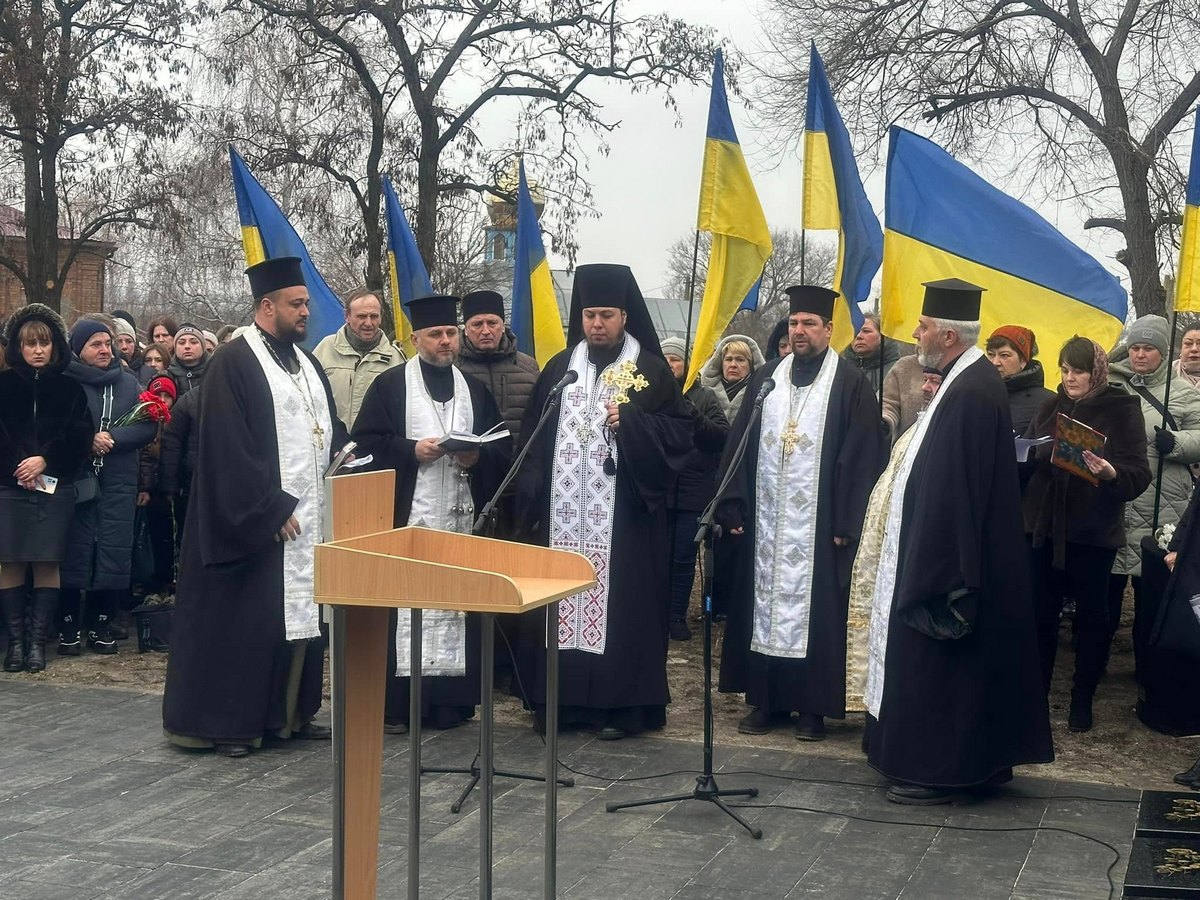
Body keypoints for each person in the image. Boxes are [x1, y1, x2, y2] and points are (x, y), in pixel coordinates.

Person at [862, 278, 1053, 805]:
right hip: (948, 552)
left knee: (942, 670)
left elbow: (953, 492)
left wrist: (932, 570)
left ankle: (935, 769)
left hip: (948, 563)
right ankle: (960, 763)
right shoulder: (961, 381)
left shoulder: (969, 391)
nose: (916, 333)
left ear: (946, 335)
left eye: (922, 326)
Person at [163, 256, 348, 758]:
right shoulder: (234, 361)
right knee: (245, 628)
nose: (306, 311)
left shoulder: (305, 362)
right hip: (258, 525)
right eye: (297, 304)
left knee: (300, 622)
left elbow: (327, 426)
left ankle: (288, 716)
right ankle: (232, 724)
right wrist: (266, 509)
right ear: (267, 306)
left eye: (306, 302)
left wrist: (345, 457)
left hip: (306, 522)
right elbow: (226, 447)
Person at [515, 263, 692, 739]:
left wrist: (633, 423)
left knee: (625, 609)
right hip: (563, 520)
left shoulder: (649, 370)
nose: (597, 324)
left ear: (624, 317)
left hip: (627, 520)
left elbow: (682, 433)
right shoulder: (559, 369)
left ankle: (624, 708)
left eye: (607, 315)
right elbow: (534, 437)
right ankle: (561, 704)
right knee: (559, 602)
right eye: (590, 315)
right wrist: (528, 498)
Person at [716, 286, 887, 740]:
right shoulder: (768, 377)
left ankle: (811, 708)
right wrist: (733, 502)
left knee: (818, 614)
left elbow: (863, 455)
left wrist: (847, 521)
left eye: (810, 323)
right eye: (794, 323)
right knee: (762, 606)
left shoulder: (849, 383)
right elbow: (741, 442)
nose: (800, 331)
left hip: (820, 527)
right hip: (767, 522)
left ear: (829, 330)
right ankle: (765, 702)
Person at [352, 295, 507, 733]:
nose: (445, 341)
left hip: (460, 516)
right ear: (416, 337)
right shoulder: (391, 385)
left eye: (450, 333)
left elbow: (501, 448)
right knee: (408, 601)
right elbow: (364, 443)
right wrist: (409, 450)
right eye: (435, 334)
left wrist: (477, 460)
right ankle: (399, 706)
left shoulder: (474, 389)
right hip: (409, 518)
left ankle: (449, 704)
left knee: (455, 602)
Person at [1023, 335, 1151, 732]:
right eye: (1063, 370)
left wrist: (1111, 472)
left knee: (1093, 620)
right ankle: (1036, 698)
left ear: (1096, 371)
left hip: (1092, 532)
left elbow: (1138, 472)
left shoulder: (1122, 409)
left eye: (1077, 370)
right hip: (1043, 529)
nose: (1069, 377)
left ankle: (1082, 699)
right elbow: (1027, 451)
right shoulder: (1050, 406)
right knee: (1040, 616)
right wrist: (1030, 453)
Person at [0, 305, 93, 672]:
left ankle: (37, 644)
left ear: (55, 346)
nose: (38, 350)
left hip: (54, 489)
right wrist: (17, 466)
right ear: (17, 348)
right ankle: (16, 643)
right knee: (10, 560)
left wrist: (45, 461)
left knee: (46, 561)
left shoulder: (70, 388)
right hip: (8, 486)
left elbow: (80, 437)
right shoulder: (3, 385)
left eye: (44, 343)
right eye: (30, 344)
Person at [1107, 316, 1200, 680]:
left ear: (1163, 352)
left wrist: (1177, 443)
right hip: (1118, 500)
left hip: (1164, 503)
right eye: (1134, 348)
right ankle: (1095, 659)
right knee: (1107, 591)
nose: (1140, 355)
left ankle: (1148, 667)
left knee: (1151, 595)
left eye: (1148, 349)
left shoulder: (1183, 392)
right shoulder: (1113, 384)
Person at [59, 319, 158, 655]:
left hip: (118, 480)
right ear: (78, 349)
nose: (104, 350)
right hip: (78, 479)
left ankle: (102, 624)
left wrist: (113, 438)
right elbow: (57, 426)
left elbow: (147, 425)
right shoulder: (65, 381)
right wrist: (87, 440)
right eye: (95, 345)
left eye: (107, 343)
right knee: (74, 549)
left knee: (114, 550)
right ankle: (69, 624)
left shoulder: (128, 383)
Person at [847, 366, 942, 710]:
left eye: (936, 381)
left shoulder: (941, 430)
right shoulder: (914, 428)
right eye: (926, 380)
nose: (928, 388)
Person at [660, 335, 729, 641]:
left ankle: (675, 614)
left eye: (675, 359)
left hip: (692, 491)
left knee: (683, 557)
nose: (670, 364)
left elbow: (720, 437)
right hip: (657, 490)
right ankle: (652, 613)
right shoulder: (650, 393)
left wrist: (691, 412)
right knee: (655, 556)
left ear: (687, 364)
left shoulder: (705, 396)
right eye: (665, 359)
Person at [313, 287, 405, 430]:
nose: (368, 323)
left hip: (376, 449)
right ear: (347, 316)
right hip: (332, 447)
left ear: (381, 317)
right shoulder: (324, 349)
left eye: (374, 316)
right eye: (361, 316)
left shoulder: (396, 359)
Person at [455, 289, 540, 441]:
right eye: (477, 324)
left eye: (492, 323)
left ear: (503, 326)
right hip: (469, 461)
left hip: (519, 461)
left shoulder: (528, 367)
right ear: (466, 329)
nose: (486, 331)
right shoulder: (452, 368)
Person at [137, 374, 178, 599]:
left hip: (168, 491)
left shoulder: (177, 421)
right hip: (149, 491)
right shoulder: (144, 422)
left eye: (167, 396)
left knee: (167, 538)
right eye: (158, 395)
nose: (162, 400)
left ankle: (167, 580)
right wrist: (144, 487)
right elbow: (143, 458)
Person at [985, 325, 1054, 435]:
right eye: (990, 354)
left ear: (1023, 361)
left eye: (1004, 355)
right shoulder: (976, 391)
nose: (995, 362)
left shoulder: (1048, 403)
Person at [700, 334, 765, 424]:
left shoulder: (761, 394)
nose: (733, 365)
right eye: (728, 359)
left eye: (740, 360)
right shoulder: (703, 392)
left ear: (750, 364)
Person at [842, 314, 901, 396]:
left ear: (882, 336)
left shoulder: (898, 369)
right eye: (855, 331)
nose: (858, 336)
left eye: (866, 331)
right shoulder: (840, 371)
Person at [168, 324, 209, 396]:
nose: (187, 346)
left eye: (193, 342)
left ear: (203, 347)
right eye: (181, 343)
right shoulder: (166, 376)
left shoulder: (216, 373)